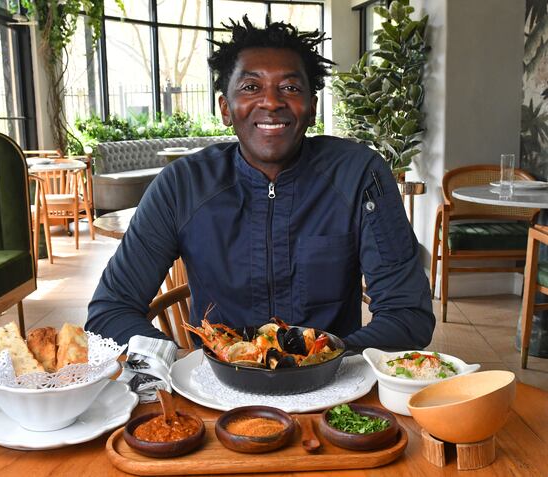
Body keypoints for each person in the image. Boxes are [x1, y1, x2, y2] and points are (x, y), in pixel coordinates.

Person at [86, 16, 435, 350]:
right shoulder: (182, 185)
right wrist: (179, 364)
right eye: (251, 87)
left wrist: (324, 358)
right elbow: (110, 309)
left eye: (290, 87)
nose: (271, 101)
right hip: (215, 388)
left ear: (311, 108)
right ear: (226, 108)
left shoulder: (358, 174)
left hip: (332, 387)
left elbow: (408, 315)